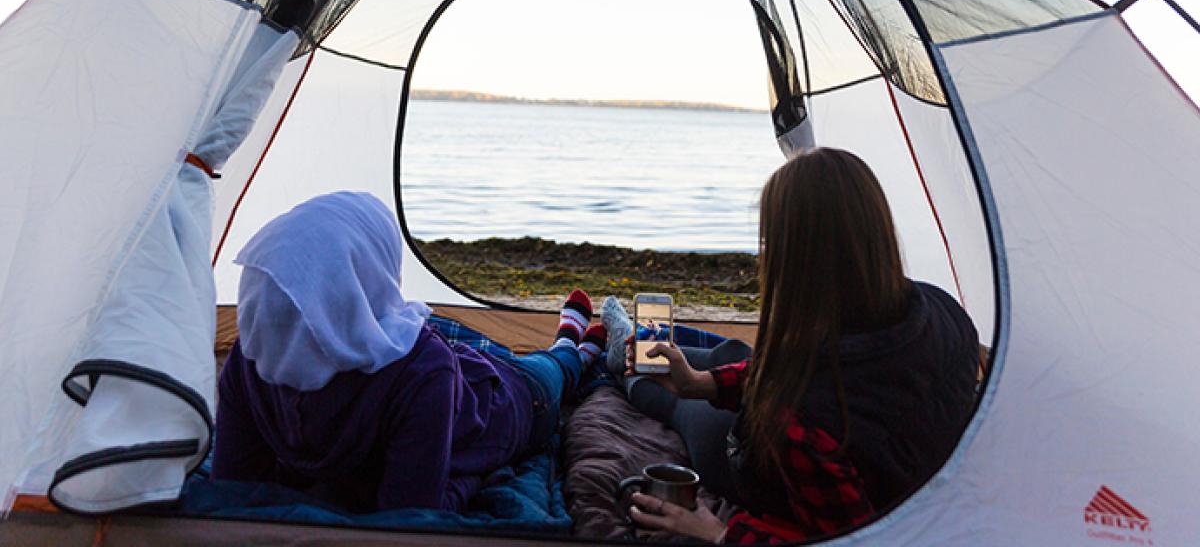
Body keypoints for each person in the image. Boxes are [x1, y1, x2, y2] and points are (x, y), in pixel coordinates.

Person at [608, 148, 980, 543]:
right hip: (886, 469)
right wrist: (702, 383)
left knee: (673, 401)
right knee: (728, 361)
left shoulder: (802, 425)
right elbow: (832, 378)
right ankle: (646, 356)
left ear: (794, 259)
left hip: (771, 472)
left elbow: (856, 541)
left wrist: (718, 532)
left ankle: (615, 357)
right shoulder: (946, 310)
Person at [212, 191, 607, 513]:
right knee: (517, 366)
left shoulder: (248, 359)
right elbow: (415, 514)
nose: (268, 310)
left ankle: (573, 347)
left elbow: (233, 486)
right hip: (483, 391)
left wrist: (470, 473)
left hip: (495, 394)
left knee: (549, 369)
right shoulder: (249, 361)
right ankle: (569, 346)